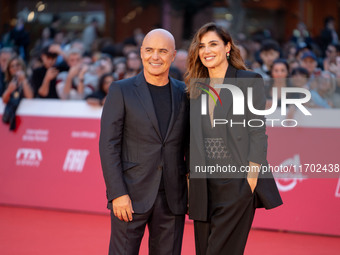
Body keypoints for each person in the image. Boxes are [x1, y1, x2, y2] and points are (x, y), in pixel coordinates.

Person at [185, 22, 282, 255]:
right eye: (201, 46)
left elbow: (257, 132)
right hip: (203, 186)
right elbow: (190, 141)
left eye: (213, 44)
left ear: (227, 47)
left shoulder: (248, 81)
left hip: (237, 183)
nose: (206, 51)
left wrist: (249, 180)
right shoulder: (194, 89)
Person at [99, 29, 189, 255]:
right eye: (149, 50)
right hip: (130, 195)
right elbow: (108, 145)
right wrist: (117, 193)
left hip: (173, 197)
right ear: (141, 53)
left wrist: (190, 188)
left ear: (172, 55)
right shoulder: (121, 90)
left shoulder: (185, 93)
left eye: (162, 51)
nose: (155, 57)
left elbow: (189, 145)